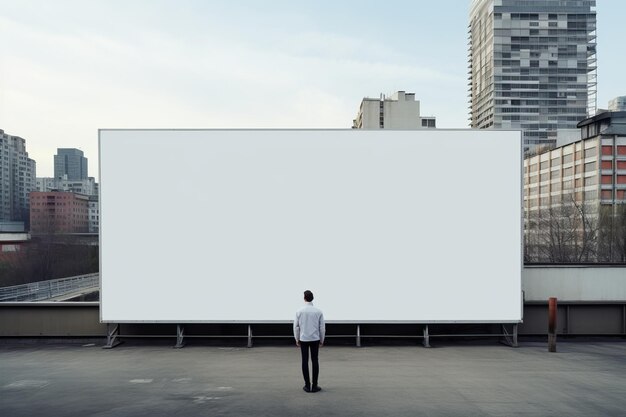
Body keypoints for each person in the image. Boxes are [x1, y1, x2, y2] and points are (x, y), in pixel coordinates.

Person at [294, 290, 325, 393]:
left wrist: (297, 338)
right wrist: (322, 339)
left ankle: (307, 386)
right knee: (315, 361)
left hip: (303, 339)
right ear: (313, 298)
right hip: (315, 339)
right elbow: (322, 328)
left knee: (304, 361)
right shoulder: (318, 311)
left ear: (304, 298)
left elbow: (296, 327)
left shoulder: (299, 311)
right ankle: (315, 385)